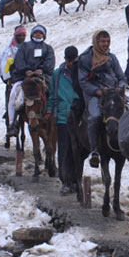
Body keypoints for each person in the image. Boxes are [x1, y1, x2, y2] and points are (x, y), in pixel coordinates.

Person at [78, 30, 127, 167]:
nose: (105, 44)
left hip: (113, 93)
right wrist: (98, 91)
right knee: (95, 116)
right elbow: (83, 81)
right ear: (96, 42)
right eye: (102, 41)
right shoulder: (86, 59)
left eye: (107, 41)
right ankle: (94, 150)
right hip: (95, 95)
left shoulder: (112, 58)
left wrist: (120, 88)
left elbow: (122, 78)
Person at [7, 25, 55, 135]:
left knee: (54, 92)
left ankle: (53, 114)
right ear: (32, 34)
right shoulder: (24, 46)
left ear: (44, 35)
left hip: (43, 77)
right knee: (14, 93)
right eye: (36, 32)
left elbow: (50, 62)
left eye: (40, 33)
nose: (38, 34)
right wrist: (26, 70)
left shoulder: (48, 48)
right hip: (24, 77)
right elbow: (19, 60)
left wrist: (41, 69)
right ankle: (12, 123)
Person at [48, 46, 81, 193]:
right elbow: (53, 95)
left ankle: (75, 180)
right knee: (64, 149)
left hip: (78, 116)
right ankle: (64, 180)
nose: (71, 64)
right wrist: (51, 110)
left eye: (73, 61)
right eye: (69, 61)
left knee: (77, 150)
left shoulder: (81, 72)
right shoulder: (58, 74)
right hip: (62, 116)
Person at [0, 26, 27, 139]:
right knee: (11, 99)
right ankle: (11, 124)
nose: (22, 37)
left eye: (23, 35)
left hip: (25, 77)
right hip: (13, 78)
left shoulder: (27, 47)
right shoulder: (8, 50)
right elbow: (1, 63)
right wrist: (5, 78)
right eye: (20, 35)